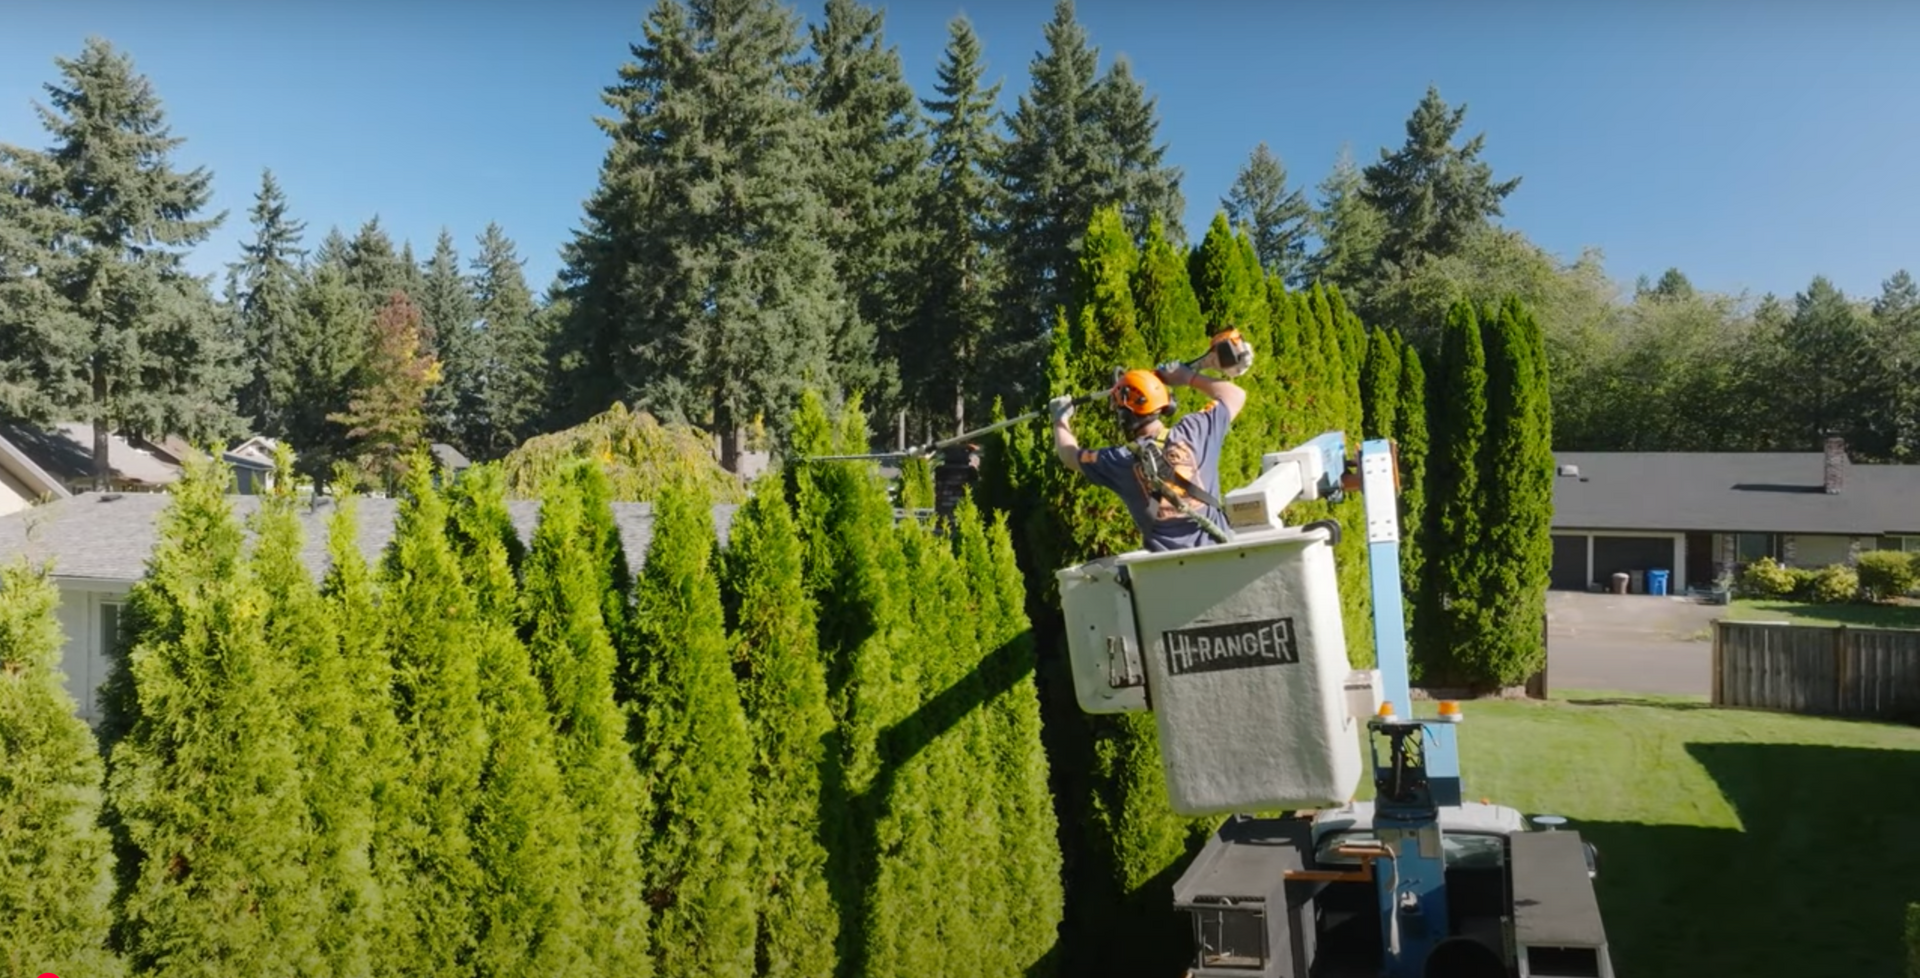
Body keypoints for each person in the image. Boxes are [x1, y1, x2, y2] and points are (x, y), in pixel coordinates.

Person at [1050, 358, 1247, 552]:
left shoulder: (1119, 460)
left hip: (1168, 570)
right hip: (1223, 554)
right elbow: (1235, 395)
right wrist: (1187, 377)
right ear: (1166, 404)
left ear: (1124, 415)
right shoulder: (1195, 431)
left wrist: (1060, 419)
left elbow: (1069, 455)